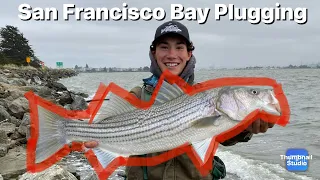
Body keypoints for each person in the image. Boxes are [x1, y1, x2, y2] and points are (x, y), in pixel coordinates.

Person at [84, 20, 275, 180]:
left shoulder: (205, 96)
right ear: (154, 53)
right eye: (164, 47)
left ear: (189, 53)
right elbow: (108, 130)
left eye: (180, 47)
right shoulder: (136, 96)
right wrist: (91, 138)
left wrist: (246, 129)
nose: (172, 54)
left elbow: (223, 138)